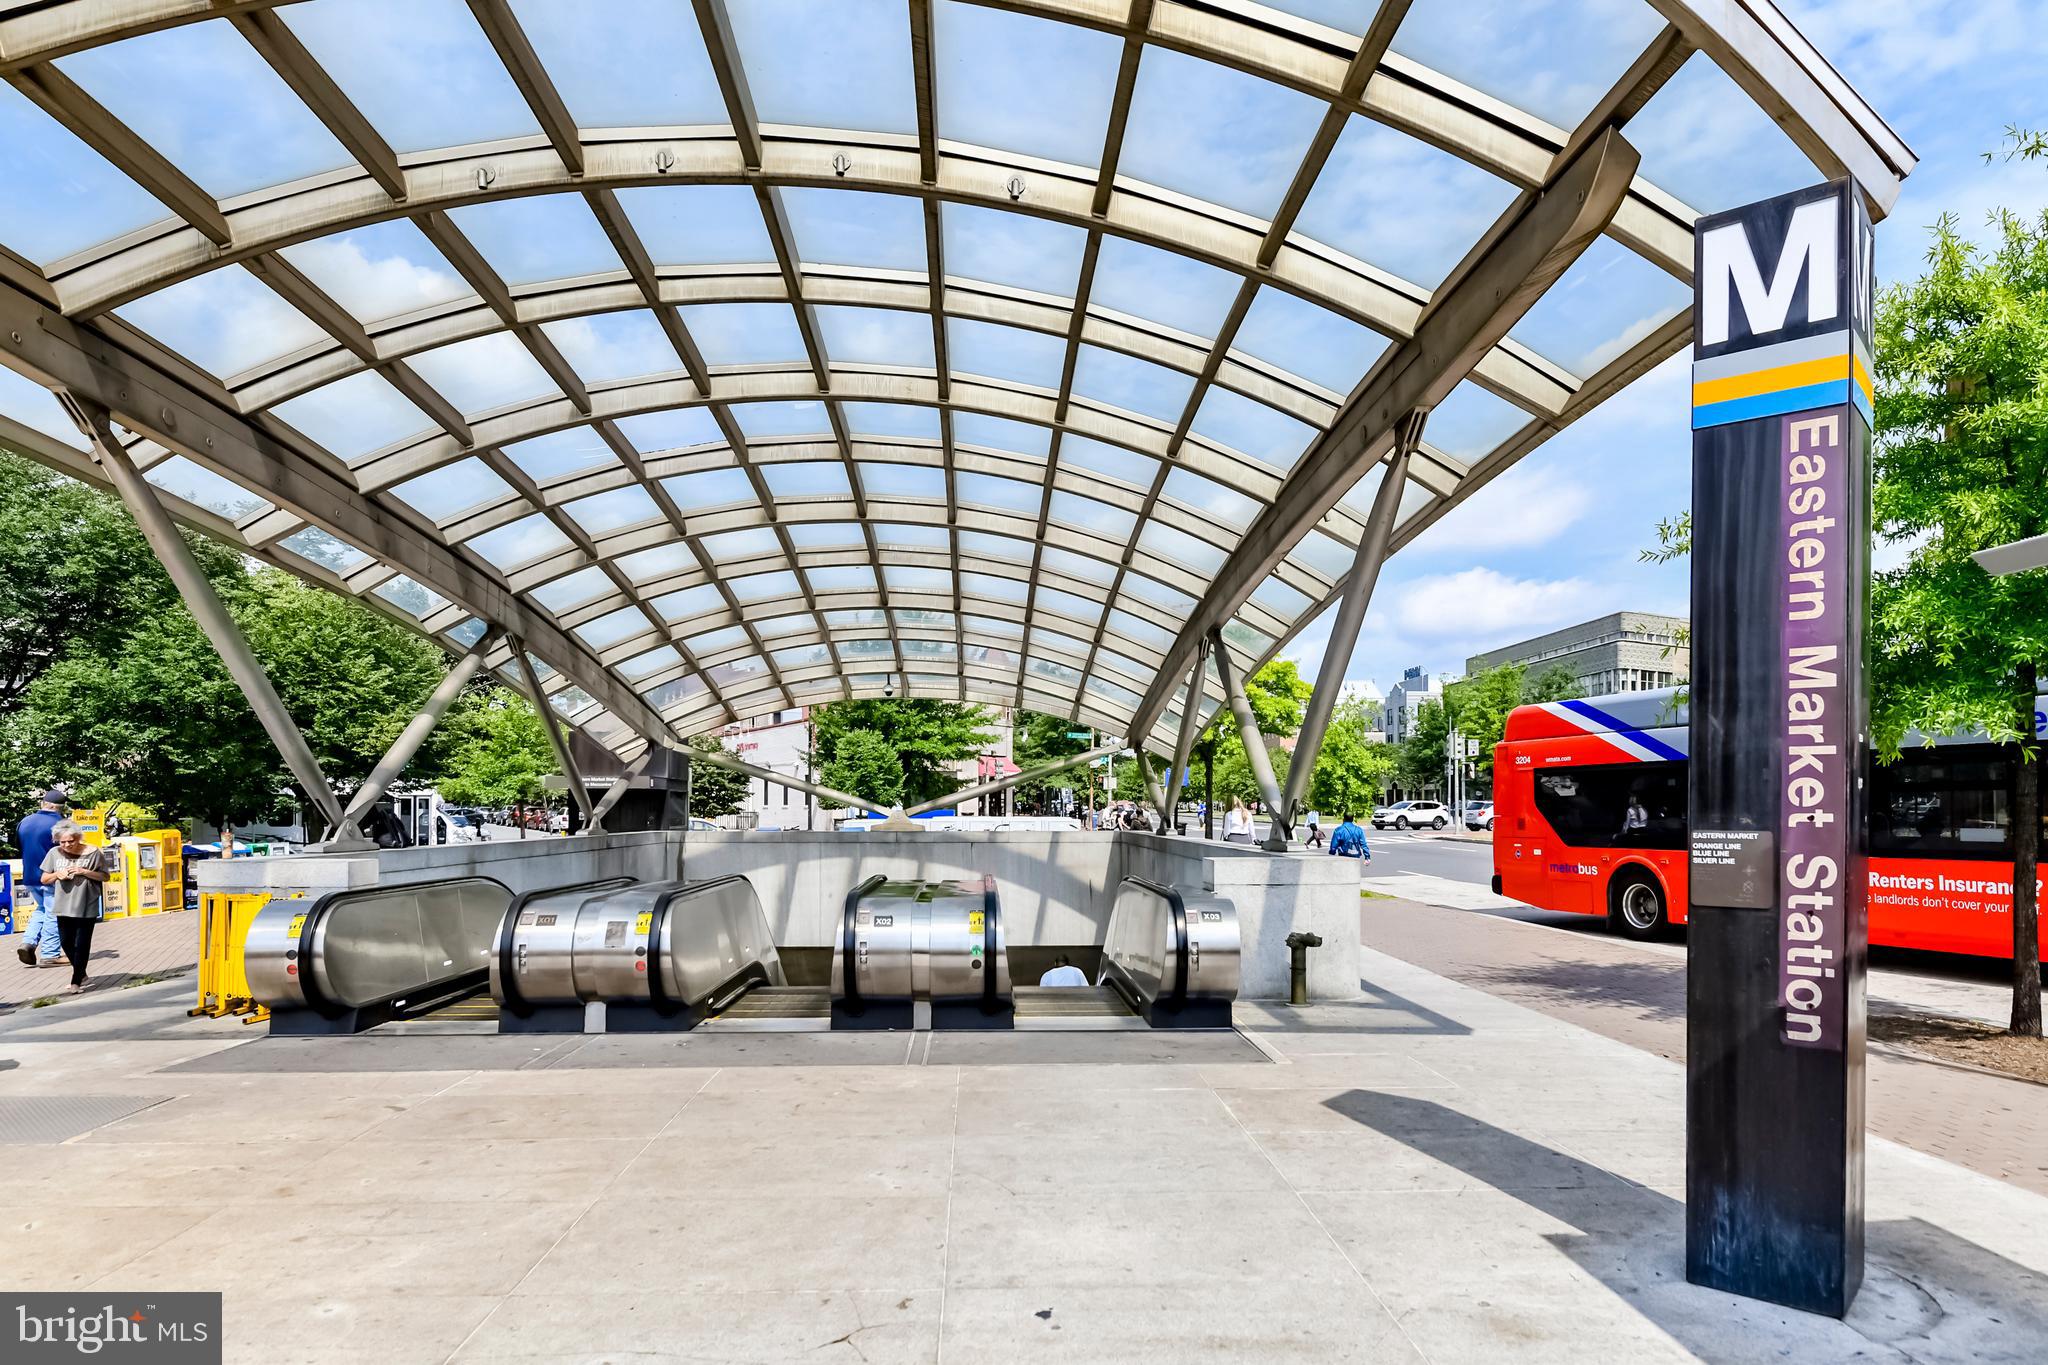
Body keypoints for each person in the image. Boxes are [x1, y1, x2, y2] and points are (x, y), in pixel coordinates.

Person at [41, 820, 111, 993]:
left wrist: (84, 871)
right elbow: (44, 879)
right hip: (63, 903)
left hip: (87, 902)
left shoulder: (93, 852)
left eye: (70, 841)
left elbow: (105, 877)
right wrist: (58, 874)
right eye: (62, 842)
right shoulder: (54, 853)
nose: (66, 845)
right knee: (66, 942)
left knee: (82, 943)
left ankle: (76, 981)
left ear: (78, 838)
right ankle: (82, 973)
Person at [14, 790, 67, 968]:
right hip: (51, 875)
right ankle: (50, 954)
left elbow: (19, 846)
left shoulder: (25, 821)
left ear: (44, 803)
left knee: (43, 909)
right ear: (59, 807)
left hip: (29, 875)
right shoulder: (61, 824)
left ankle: (28, 943)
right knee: (54, 913)